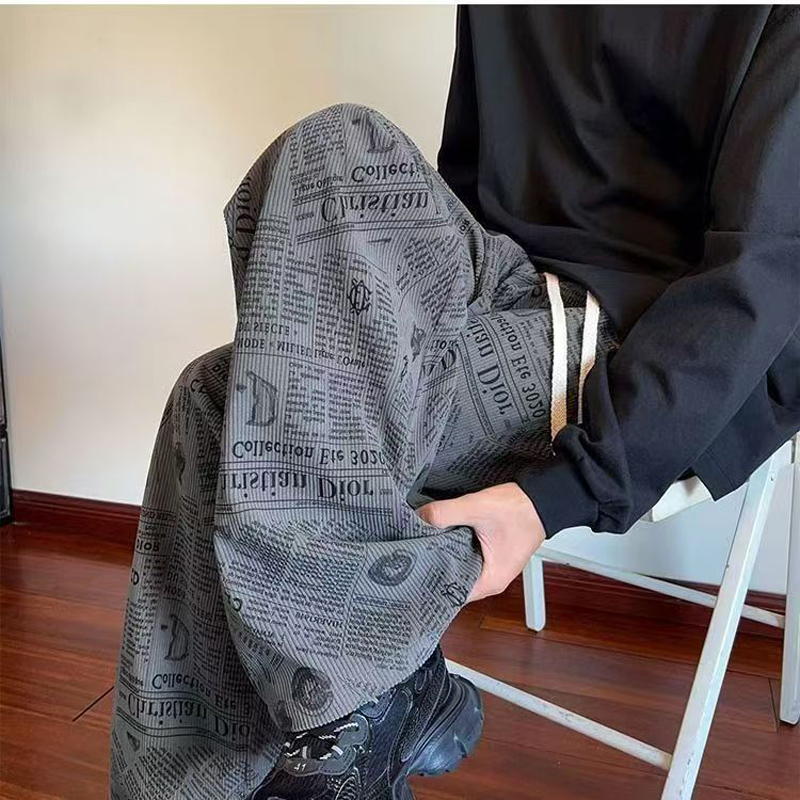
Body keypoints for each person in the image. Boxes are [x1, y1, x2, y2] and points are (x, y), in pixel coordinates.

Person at [109, 7, 799, 800]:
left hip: (655, 331)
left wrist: (556, 497)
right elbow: (469, 193)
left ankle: (356, 705)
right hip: (512, 283)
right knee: (329, 157)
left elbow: (763, 277)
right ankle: (358, 705)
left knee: (219, 404)